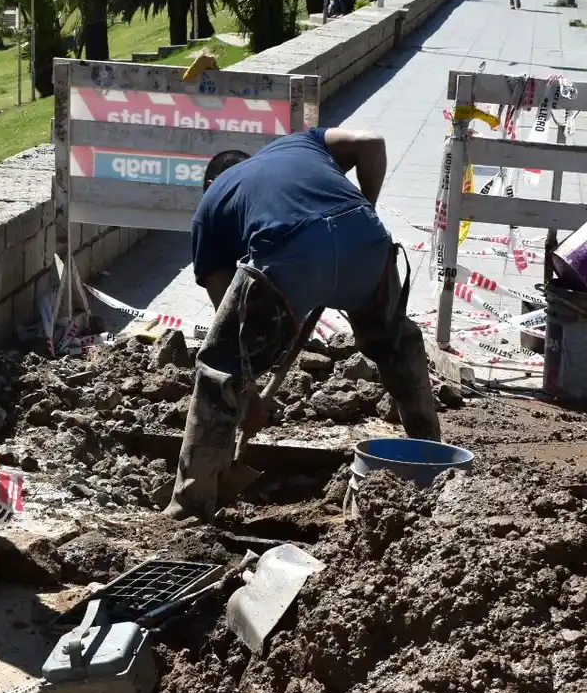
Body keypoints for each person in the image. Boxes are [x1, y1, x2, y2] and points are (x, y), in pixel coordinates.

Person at [165, 128, 442, 519]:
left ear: (211, 183)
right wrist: (364, 211)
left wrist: (248, 395)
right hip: (366, 242)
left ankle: (190, 506)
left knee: (218, 372)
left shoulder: (212, 202)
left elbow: (230, 329)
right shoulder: (299, 144)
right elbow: (373, 143)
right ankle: (434, 455)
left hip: (290, 253)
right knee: (396, 345)